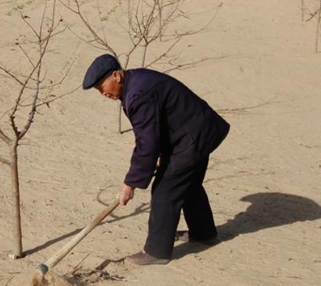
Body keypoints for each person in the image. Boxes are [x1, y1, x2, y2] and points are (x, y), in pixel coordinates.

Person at [82, 54, 230, 265]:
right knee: (189, 184)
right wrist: (161, 155)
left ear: (116, 76)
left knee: (165, 190)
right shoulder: (136, 81)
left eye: (101, 87)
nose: (103, 93)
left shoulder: (138, 94)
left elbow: (147, 142)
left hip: (192, 137)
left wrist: (130, 183)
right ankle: (203, 233)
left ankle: (157, 251)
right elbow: (158, 125)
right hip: (198, 130)